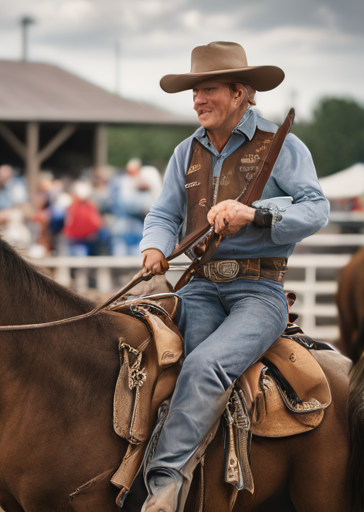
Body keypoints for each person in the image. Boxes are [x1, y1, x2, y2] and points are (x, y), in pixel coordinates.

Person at [139, 41, 329, 512]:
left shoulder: (281, 145)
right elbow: (164, 213)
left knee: (205, 366)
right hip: (200, 288)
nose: (198, 100)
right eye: (195, 92)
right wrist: (154, 247)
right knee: (170, 369)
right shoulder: (185, 152)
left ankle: (162, 484)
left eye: (208, 90)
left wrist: (255, 212)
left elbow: (316, 208)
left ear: (240, 92)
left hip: (259, 291)